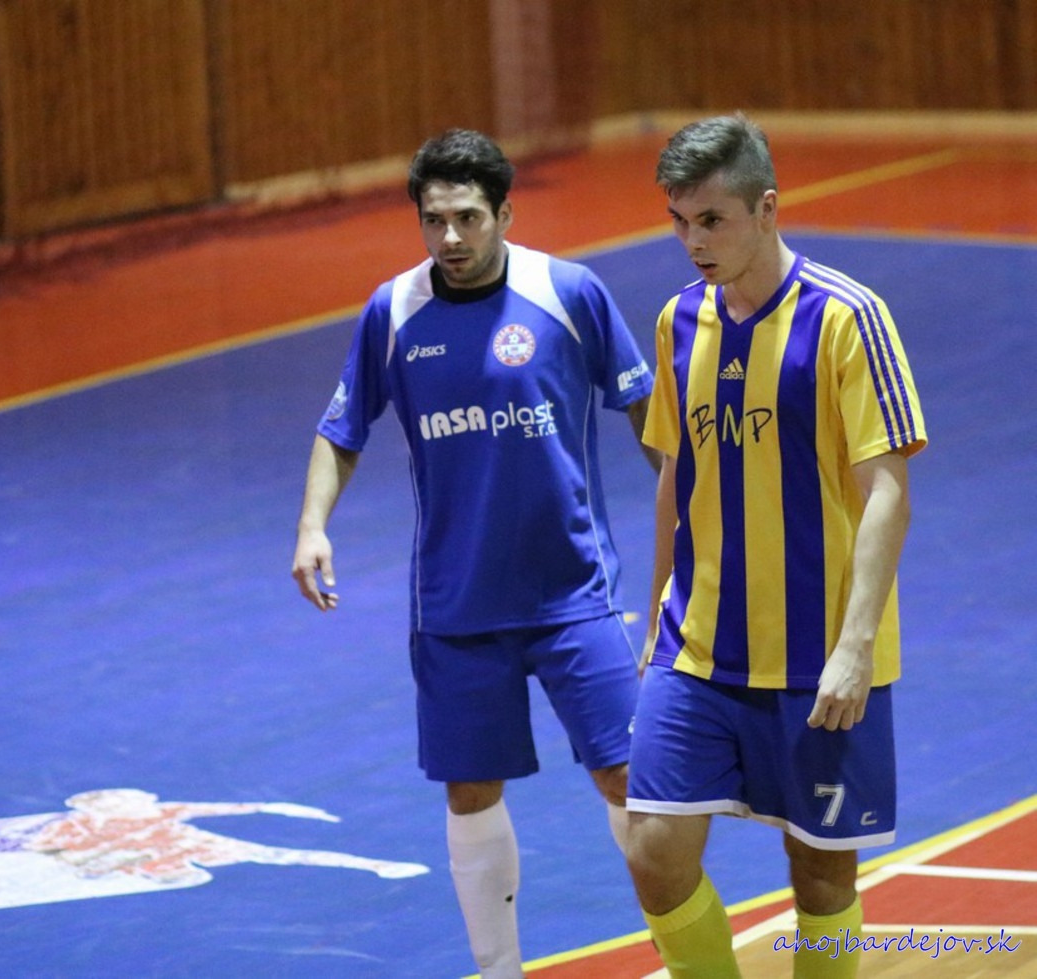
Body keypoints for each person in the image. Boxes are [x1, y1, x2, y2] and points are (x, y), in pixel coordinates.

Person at [291, 128, 657, 978]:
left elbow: (647, 411)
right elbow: (341, 428)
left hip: (575, 594)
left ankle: (686, 953)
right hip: (457, 605)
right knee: (470, 790)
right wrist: (312, 524)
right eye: (434, 221)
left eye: (467, 218)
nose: (450, 237)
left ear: (505, 214)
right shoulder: (393, 312)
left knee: (629, 779)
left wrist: (700, 512)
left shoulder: (568, 293)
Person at [624, 114, 928, 978]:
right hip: (696, 646)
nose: (693, 242)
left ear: (766, 208)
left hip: (818, 654)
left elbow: (888, 491)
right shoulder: (679, 321)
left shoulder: (847, 317)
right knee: (654, 848)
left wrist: (856, 647)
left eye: (711, 220)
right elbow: (674, 477)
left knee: (821, 873)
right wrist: (655, 615)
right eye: (679, 221)